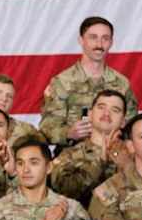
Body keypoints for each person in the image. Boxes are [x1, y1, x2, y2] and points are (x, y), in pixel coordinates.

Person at [39, 17, 135, 148]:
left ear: (111, 42)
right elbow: (46, 129)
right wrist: (68, 133)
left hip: (112, 156)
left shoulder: (122, 83)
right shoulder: (62, 82)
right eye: (93, 37)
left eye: (105, 38)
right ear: (81, 40)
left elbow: (132, 126)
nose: (99, 44)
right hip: (72, 157)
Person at [49, 89, 130, 202]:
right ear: (90, 114)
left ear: (123, 122)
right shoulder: (69, 154)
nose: (107, 113)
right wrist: (100, 162)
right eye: (101, 107)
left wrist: (128, 166)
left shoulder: (133, 154)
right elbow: (63, 191)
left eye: (115, 110)